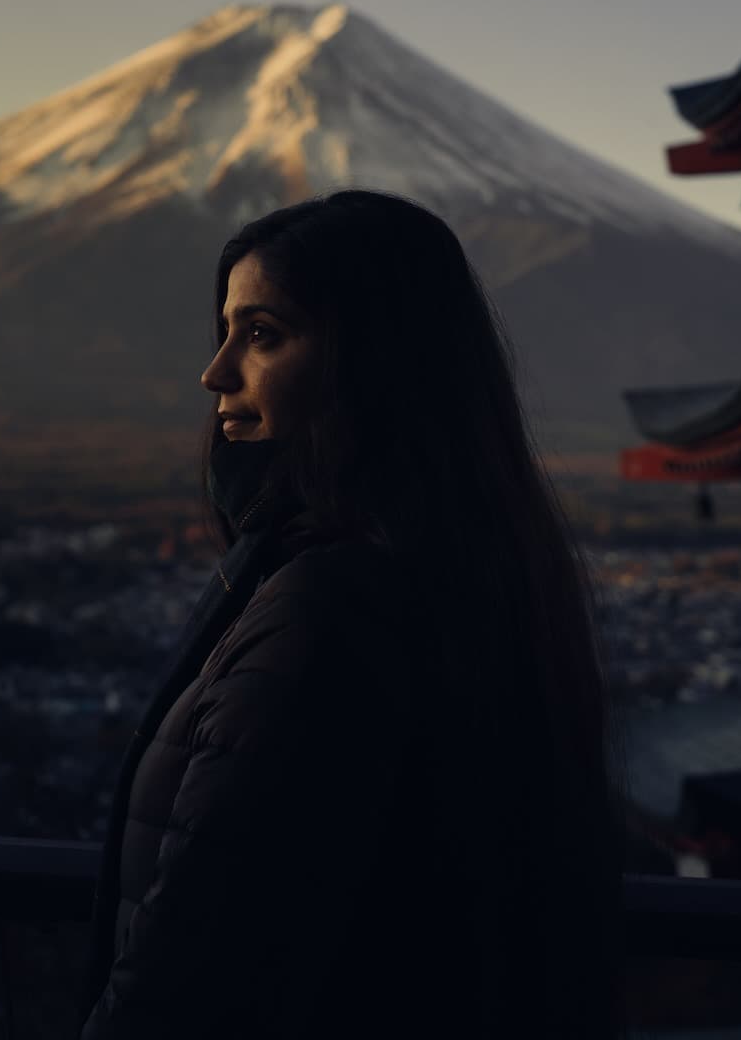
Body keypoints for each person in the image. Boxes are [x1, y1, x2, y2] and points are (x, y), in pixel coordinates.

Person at [76, 188, 633, 1038]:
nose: (215, 371)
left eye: (262, 335)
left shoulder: (330, 610)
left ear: (376, 360)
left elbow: (199, 970)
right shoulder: (477, 578)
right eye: (224, 331)